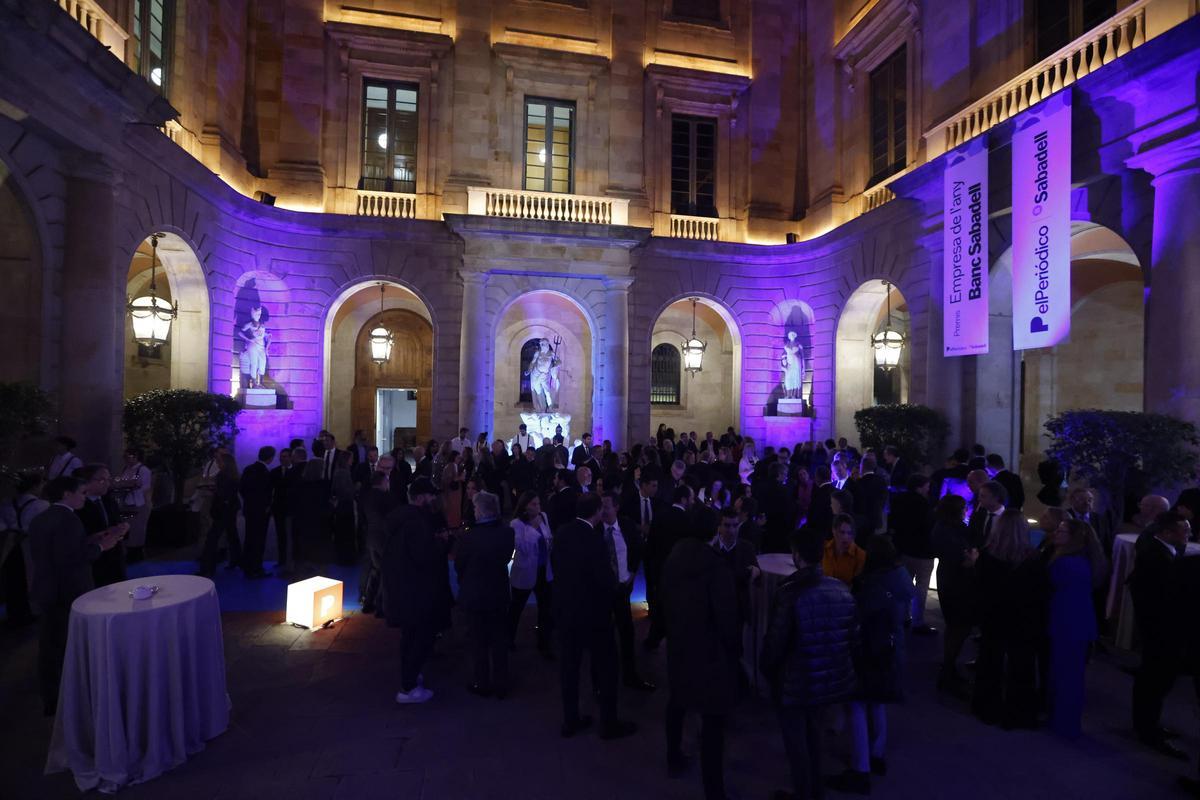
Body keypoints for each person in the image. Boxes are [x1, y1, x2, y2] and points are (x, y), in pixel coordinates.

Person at [761, 527, 858, 800]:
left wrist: (767, 670)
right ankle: (815, 791)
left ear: (796, 555)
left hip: (794, 681)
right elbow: (851, 638)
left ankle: (804, 793)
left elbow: (776, 641)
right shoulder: (840, 590)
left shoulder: (789, 592)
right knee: (814, 737)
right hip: (827, 680)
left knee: (796, 743)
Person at [661, 501, 741, 800]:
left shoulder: (675, 556)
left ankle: (673, 757)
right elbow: (726, 616)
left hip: (680, 643)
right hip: (709, 652)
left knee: (677, 702)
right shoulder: (715, 565)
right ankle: (714, 789)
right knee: (712, 722)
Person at [30, 476, 125, 714]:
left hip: (46, 589)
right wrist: (103, 546)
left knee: (49, 646)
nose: (85, 496)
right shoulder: (68, 520)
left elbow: (56, 551)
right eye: (82, 492)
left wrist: (92, 539)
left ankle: (51, 699)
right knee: (66, 646)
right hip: (67, 590)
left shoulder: (41, 518)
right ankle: (69, 701)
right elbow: (71, 559)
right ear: (66, 494)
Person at [551, 492, 637, 740]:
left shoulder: (563, 533)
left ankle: (571, 719)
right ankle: (609, 723)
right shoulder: (595, 540)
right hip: (593, 615)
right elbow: (604, 580)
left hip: (566, 612)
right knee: (607, 667)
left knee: (569, 668)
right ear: (597, 512)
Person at [842, 535, 912, 789]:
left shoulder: (871, 585)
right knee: (878, 702)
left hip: (872, 649)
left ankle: (861, 767)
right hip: (893, 650)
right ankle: (877, 753)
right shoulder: (901, 578)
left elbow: (859, 616)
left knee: (857, 704)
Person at [972, 509, 1046, 728]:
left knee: (989, 661)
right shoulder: (1033, 559)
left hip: (994, 615)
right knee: (1021, 665)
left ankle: (986, 707)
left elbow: (981, 587)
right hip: (1022, 618)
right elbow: (1039, 593)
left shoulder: (987, 556)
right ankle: (1020, 712)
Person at [1130, 510, 1191, 758]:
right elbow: (1162, 599)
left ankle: (1148, 725)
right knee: (1154, 680)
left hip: (1159, 630)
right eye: (1184, 530)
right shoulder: (1155, 558)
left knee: (1154, 680)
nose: (1190, 534)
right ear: (1166, 533)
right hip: (1159, 631)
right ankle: (1147, 729)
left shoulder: (1163, 551)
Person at [383, 477, 448, 705]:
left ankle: (409, 675)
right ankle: (408, 687)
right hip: (418, 591)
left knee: (409, 636)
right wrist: (441, 543)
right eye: (430, 495)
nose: (433, 499)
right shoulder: (417, 523)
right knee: (421, 637)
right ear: (421, 497)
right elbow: (425, 557)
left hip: (402, 588)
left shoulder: (400, 518)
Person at [1045, 517, 1103, 739]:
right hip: (1078, 621)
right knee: (1071, 674)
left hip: (1067, 621)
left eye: (1061, 531)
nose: (1056, 534)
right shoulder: (1086, 560)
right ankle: (1065, 721)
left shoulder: (1066, 562)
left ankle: (1064, 724)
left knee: (1066, 675)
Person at [455, 492, 514, 698]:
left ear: (479, 510)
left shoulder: (468, 538)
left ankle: (482, 682)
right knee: (499, 640)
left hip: (475, 594)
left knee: (478, 641)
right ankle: (501, 683)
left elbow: (459, 565)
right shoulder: (507, 533)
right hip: (498, 592)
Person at [600, 491, 654, 691]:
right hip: (603, 593)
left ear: (616, 507)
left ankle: (630, 676)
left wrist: (631, 572)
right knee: (603, 637)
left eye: (606, 506)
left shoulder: (627, 526)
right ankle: (603, 682)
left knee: (627, 634)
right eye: (600, 507)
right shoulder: (596, 530)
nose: (602, 511)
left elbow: (638, 547)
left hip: (622, 590)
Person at [931, 494, 975, 693]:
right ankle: (948, 669)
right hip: (956, 581)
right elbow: (963, 558)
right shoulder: (950, 530)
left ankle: (948, 666)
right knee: (959, 626)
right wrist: (971, 557)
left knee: (954, 625)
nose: (966, 510)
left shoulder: (942, 527)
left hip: (947, 578)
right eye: (963, 507)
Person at [644, 484, 694, 650]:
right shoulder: (688, 520)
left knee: (661, 607)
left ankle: (653, 640)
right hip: (680, 573)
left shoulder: (660, 516)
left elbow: (650, 545)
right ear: (684, 499)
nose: (693, 501)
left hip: (661, 570)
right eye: (691, 498)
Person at [509, 490, 555, 658]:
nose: (537, 507)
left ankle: (544, 643)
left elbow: (548, 538)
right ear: (525, 506)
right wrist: (534, 528)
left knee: (546, 608)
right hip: (526, 571)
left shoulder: (543, 516)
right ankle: (509, 639)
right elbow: (524, 548)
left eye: (538, 504)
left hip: (544, 569)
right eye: (533, 504)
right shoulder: (516, 524)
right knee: (516, 607)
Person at [890, 474, 936, 635]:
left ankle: (902, 617)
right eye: (927, 485)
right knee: (921, 587)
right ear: (920, 486)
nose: (928, 488)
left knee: (904, 585)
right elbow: (928, 527)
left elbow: (893, 522)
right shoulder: (924, 504)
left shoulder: (898, 499)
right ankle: (918, 621)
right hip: (922, 551)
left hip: (903, 549)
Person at [75, 464, 126, 587]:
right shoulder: (78, 505)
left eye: (109, 479)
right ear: (86, 482)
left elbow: (116, 522)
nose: (107, 484)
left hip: (115, 560)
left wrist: (122, 529)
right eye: (102, 480)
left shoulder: (109, 500)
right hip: (93, 563)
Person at [359, 471, 397, 615]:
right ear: (382, 482)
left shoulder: (366, 496)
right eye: (387, 481)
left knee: (375, 570)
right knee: (385, 571)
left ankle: (368, 603)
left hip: (371, 537)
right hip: (384, 538)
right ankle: (381, 607)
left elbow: (363, 518)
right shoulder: (386, 497)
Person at [199, 453, 242, 577]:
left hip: (223, 510)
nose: (217, 463)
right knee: (232, 535)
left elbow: (223, 494)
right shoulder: (232, 475)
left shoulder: (223, 475)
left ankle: (207, 568)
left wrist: (214, 491)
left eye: (219, 461)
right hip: (230, 508)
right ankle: (237, 560)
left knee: (212, 539)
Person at [240, 446, 275, 578]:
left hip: (249, 509)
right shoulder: (265, 472)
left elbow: (242, 488)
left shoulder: (248, 469)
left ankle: (247, 565)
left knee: (249, 538)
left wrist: (249, 502)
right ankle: (256, 568)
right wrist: (266, 506)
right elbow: (267, 493)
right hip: (261, 512)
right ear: (270, 457)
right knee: (259, 540)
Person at [113, 448, 153, 563]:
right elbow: (120, 481)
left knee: (137, 529)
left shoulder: (143, 470)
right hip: (126, 502)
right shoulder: (126, 469)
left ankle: (137, 554)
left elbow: (143, 486)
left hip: (138, 503)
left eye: (128, 457)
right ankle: (129, 552)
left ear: (135, 456)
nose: (125, 460)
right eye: (124, 457)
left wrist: (128, 484)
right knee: (128, 528)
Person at [270, 447, 295, 572]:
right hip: (278, 508)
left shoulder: (295, 472)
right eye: (281, 456)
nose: (282, 459)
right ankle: (282, 559)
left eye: (285, 456)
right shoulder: (274, 472)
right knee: (281, 535)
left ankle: (291, 561)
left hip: (291, 508)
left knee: (290, 535)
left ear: (291, 457)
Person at [823, 513, 866, 586]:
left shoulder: (860, 555)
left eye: (849, 533)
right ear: (834, 531)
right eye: (842, 532)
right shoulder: (823, 548)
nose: (845, 537)